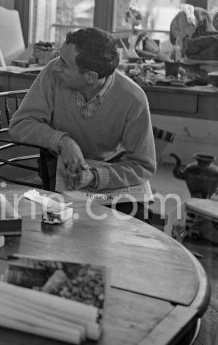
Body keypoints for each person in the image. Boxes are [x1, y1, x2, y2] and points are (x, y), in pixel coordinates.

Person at [9, 27, 156, 219]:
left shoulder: (133, 99)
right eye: (59, 57)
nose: (56, 66)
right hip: (57, 166)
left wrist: (95, 176)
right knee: (57, 222)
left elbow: (143, 165)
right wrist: (63, 141)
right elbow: (20, 124)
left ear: (90, 77)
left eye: (64, 63)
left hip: (108, 171)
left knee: (137, 222)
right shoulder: (52, 74)